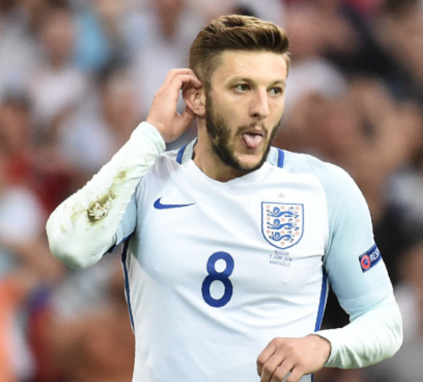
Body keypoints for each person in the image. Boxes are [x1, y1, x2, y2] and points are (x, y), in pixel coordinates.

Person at [45, 14, 402, 382]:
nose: (261, 107)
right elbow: (69, 244)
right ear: (196, 97)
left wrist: (324, 346)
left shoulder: (326, 189)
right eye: (242, 87)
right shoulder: (147, 180)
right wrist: (148, 137)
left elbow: (385, 322)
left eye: (275, 89)